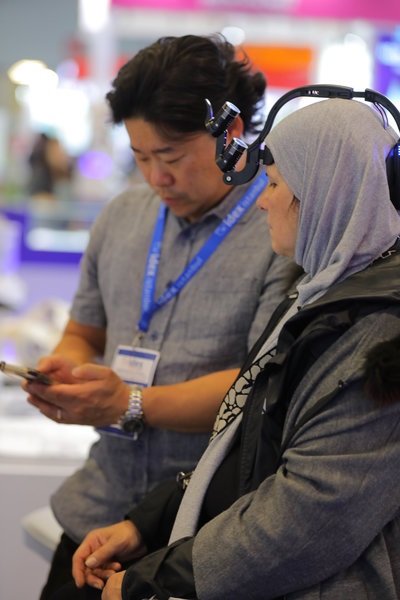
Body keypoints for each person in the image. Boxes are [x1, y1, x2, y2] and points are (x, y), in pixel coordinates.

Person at [58, 96, 400, 600]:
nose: (262, 200)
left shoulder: (379, 333)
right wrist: (149, 525)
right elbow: (249, 447)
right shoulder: (318, 296)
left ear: (323, 193)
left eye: (275, 184)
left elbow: (305, 518)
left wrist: (154, 580)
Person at [24, 34, 293, 598]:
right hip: (96, 509)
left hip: (200, 533)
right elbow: (83, 330)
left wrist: (130, 402)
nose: (156, 177)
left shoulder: (281, 229)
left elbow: (262, 389)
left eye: (169, 157)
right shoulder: (122, 216)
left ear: (230, 132)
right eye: (141, 157)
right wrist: (67, 371)